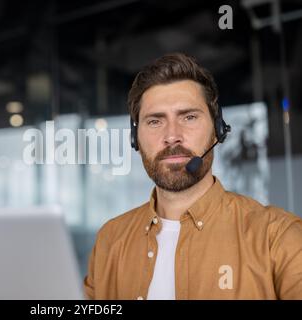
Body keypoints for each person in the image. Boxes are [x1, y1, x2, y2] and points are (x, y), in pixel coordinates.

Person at [83, 53, 302, 300]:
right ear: (136, 139)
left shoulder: (279, 238)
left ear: (217, 130)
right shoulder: (110, 240)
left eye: (189, 117)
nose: (172, 135)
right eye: (155, 121)